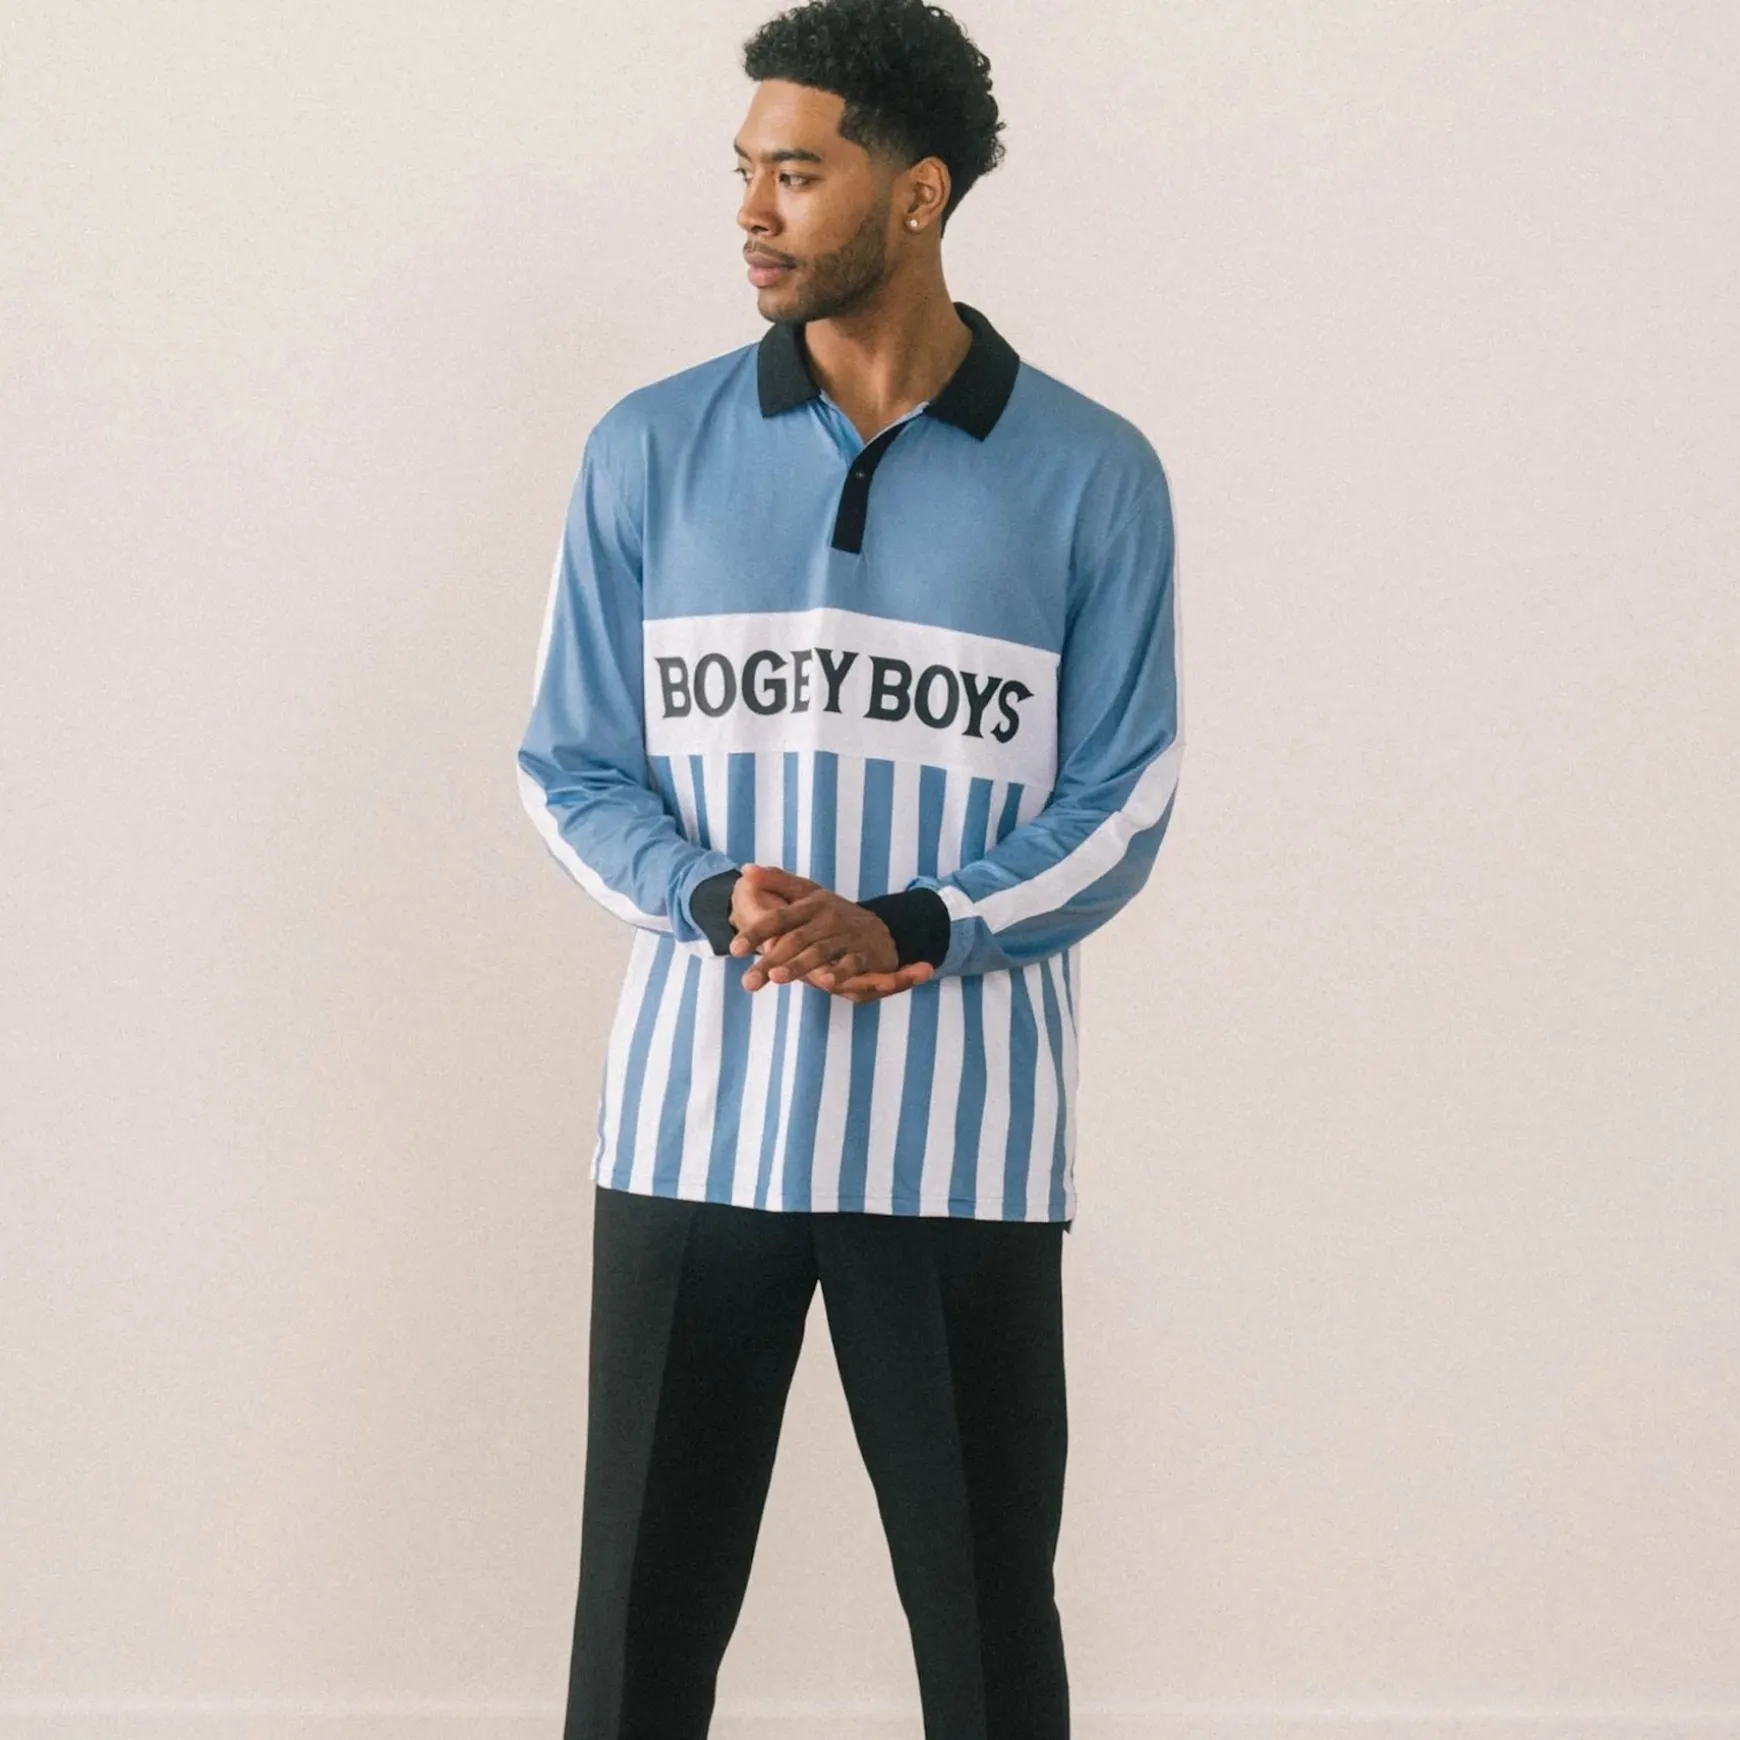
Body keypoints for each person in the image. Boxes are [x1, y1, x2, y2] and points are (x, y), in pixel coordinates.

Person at [514, 1, 1183, 1733]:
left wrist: (914, 924)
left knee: (987, 1647)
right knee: (635, 1648)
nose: (752, 211)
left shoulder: (1094, 476)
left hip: (958, 1153)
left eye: (798, 175)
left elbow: (1125, 800)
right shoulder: (647, 450)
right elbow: (570, 764)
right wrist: (705, 894)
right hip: (692, 1132)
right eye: (746, 170)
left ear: (918, 192)